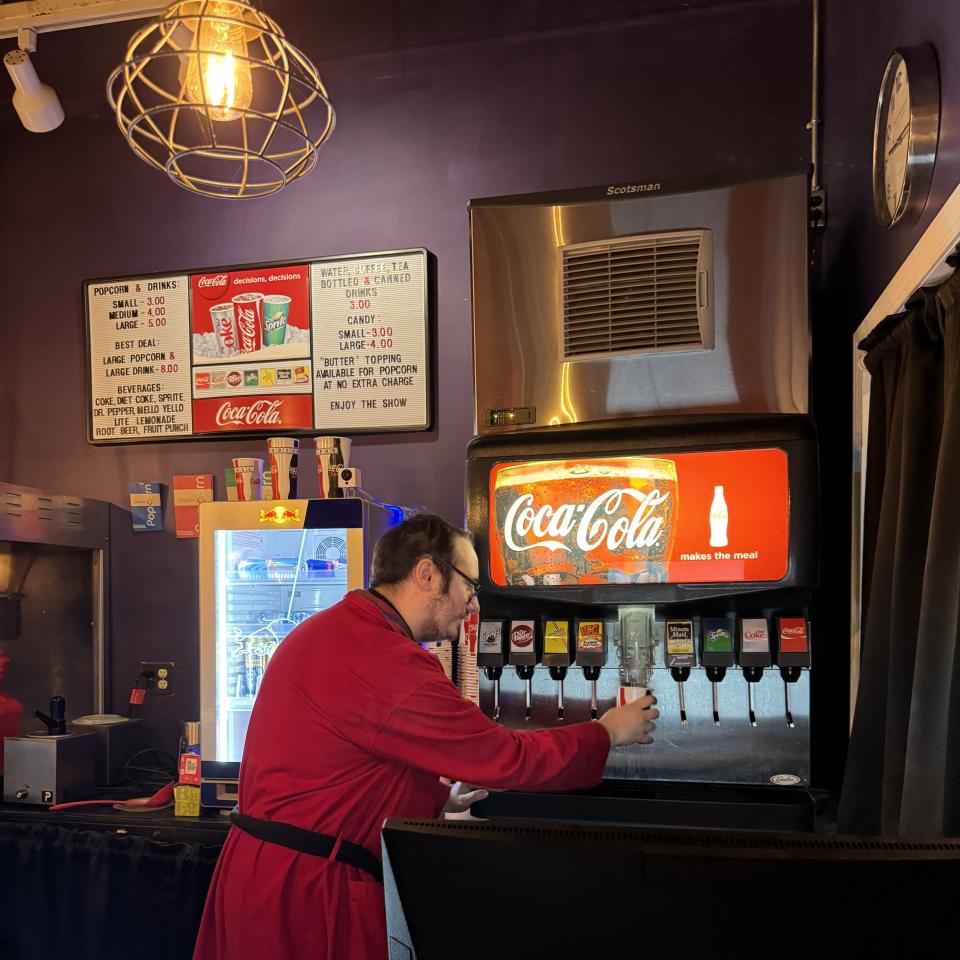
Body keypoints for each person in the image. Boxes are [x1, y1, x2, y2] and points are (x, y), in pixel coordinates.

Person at [193, 514, 659, 960]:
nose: (476, 604)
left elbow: (346, 769)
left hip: (261, 875)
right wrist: (605, 733)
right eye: (471, 586)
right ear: (427, 574)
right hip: (308, 894)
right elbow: (504, 756)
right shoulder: (385, 657)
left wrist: (436, 800)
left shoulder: (331, 629)